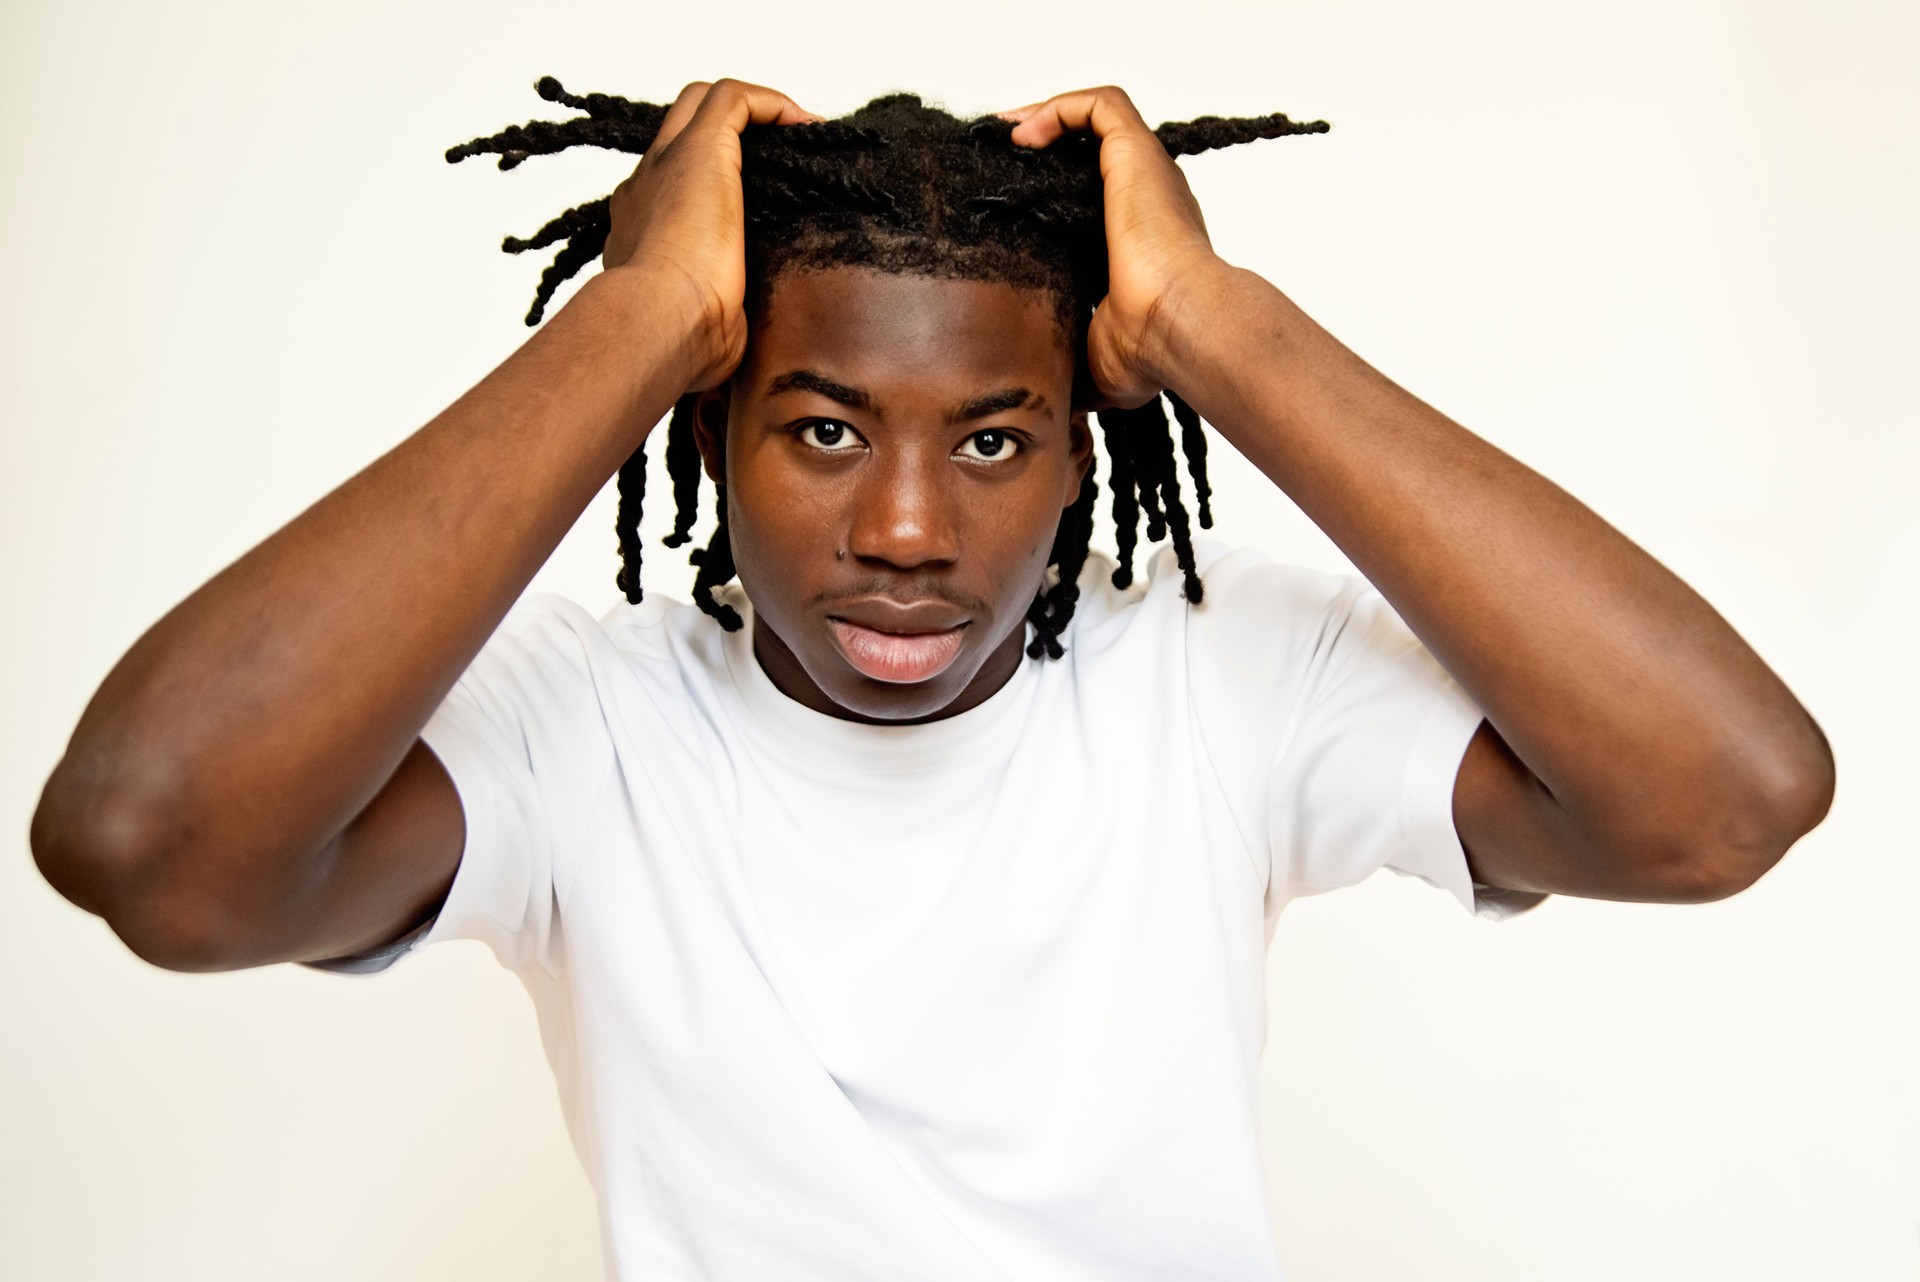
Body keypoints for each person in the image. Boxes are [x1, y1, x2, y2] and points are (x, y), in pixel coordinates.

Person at [30, 78, 1834, 1280]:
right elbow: (150, 838)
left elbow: (1728, 791)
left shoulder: (1223, 681)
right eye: (819, 427)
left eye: (993, 438)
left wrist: (1217, 323)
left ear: (1083, 449)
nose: (907, 527)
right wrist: (641, 319)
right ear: (712, 433)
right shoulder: (583, 728)